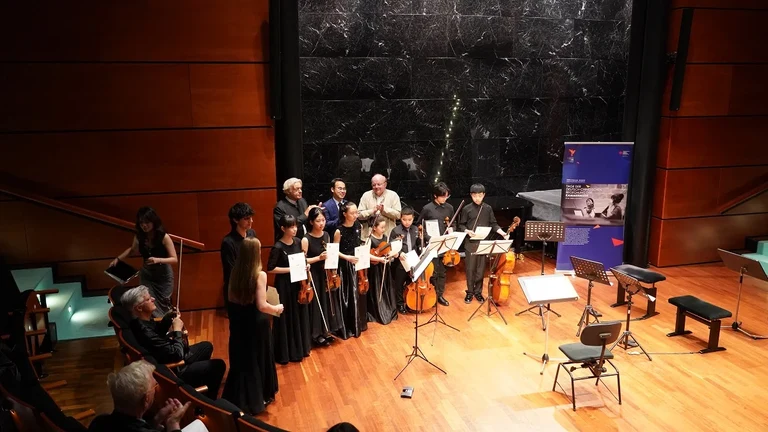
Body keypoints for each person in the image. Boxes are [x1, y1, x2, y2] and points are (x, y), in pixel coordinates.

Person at [122, 286, 226, 398]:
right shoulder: (145, 332)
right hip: (172, 370)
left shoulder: (140, 322)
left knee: (207, 346)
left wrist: (167, 318)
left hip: (167, 356)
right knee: (218, 365)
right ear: (139, 308)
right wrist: (177, 330)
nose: (153, 299)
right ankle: (207, 400)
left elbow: (157, 333)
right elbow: (176, 354)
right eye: (148, 299)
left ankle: (200, 379)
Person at [223, 237, 283, 415]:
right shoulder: (259, 275)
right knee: (258, 359)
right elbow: (262, 305)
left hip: (239, 322)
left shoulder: (234, 271)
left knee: (242, 359)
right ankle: (259, 396)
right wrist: (277, 308)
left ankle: (240, 396)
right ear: (255, 253)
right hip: (256, 324)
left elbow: (231, 299)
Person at [88, 360, 191, 432]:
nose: (156, 388)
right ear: (146, 399)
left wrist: (157, 419)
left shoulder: (99, 422)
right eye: (155, 385)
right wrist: (174, 424)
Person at [111, 207, 178, 317]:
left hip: (163, 275)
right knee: (146, 301)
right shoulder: (139, 236)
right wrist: (118, 259)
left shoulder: (164, 237)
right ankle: (155, 328)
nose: (144, 225)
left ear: (153, 221)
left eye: (147, 222)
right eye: (141, 223)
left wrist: (158, 259)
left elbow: (174, 259)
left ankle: (167, 327)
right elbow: (132, 249)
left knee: (163, 303)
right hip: (147, 274)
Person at [268, 214, 312, 364]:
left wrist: (306, 265)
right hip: (284, 285)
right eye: (291, 227)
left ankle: (300, 348)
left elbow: (301, 260)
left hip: (298, 283)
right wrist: (290, 269)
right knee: (287, 316)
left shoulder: (298, 242)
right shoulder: (278, 247)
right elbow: (271, 269)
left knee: (299, 314)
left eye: (295, 226)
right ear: (283, 228)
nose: (294, 229)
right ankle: (286, 353)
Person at [457, 184, 509, 304]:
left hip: (483, 243)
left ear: (484, 195)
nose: (477, 198)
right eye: (475, 196)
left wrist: (503, 233)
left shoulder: (488, 208)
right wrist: (467, 231)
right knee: (470, 269)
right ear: (471, 195)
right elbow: (461, 225)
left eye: (480, 196)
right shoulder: (467, 209)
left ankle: (478, 292)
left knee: (481, 270)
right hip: (470, 243)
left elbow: (493, 223)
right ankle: (469, 292)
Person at [302, 208, 342, 346]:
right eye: (318, 221)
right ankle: (316, 334)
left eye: (323, 220)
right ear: (311, 221)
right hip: (313, 274)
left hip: (326, 273)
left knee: (327, 301)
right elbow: (302, 260)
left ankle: (326, 331)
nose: (321, 223)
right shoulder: (306, 239)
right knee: (316, 305)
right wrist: (318, 258)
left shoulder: (326, 235)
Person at [333, 202, 368, 339]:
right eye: (352, 213)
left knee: (358, 294)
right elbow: (334, 251)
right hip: (344, 265)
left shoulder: (358, 226)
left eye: (356, 213)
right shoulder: (338, 231)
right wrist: (347, 257)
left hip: (356, 263)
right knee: (347, 295)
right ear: (344, 214)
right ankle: (347, 326)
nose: (355, 215)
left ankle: (358, 323)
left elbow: (358, 244)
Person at [416, 182, 454, 307]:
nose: (444, 199)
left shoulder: (449, 208)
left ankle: (440, 295)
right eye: (442, 196)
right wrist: (428, 237)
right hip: (432, 243)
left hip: (444, 243)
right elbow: (419, 225)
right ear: (435, 196)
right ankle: (431, 294)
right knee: (434, 271)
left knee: (442, 272)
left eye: (446, 196)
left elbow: (453, 223)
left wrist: (451, 230)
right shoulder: (427, 208)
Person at [220, 203, 256, 308]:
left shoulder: (252, 234)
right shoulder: (228, 242)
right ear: (235, 220)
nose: (251, 221)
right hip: (236, 289)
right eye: (246, 218)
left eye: (251, 218)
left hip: (251, 285)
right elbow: (230, 270)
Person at [366, 218, 398, 324]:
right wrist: (379, 259)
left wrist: (391, 255)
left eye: (385, 227)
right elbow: (367, 255)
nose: (384, 229)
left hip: (384, 267)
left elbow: (387, 251)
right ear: (374, 228)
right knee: (377, 290)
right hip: (375, 269)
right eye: (382, 227)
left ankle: (388, 309)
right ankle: (377, 312)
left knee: (386, 288)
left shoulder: (385, 237)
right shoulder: (370, 239)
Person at [389, 207, 420, 314]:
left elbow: (417, 244)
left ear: (413, 218)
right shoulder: (395, 230)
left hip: (413, 260)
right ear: (400, 218)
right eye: (404, 219)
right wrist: (399, 253)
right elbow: (391, 246)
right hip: (400, 262)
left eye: (409, 220)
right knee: (399, 284)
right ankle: (400, 304)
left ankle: (410, 303)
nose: (407, 222)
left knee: (411, 283)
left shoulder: (415, 229)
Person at [357, 174, 401, 240]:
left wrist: (384, 210)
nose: (376, 187)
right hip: (369, 236)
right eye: (374, 185)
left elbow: (398, 215)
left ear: (385, 184)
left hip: (388, 236)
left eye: (379, 184)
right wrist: (371, 211)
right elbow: (358, 215)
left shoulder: (393, 195)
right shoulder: (366, 195)